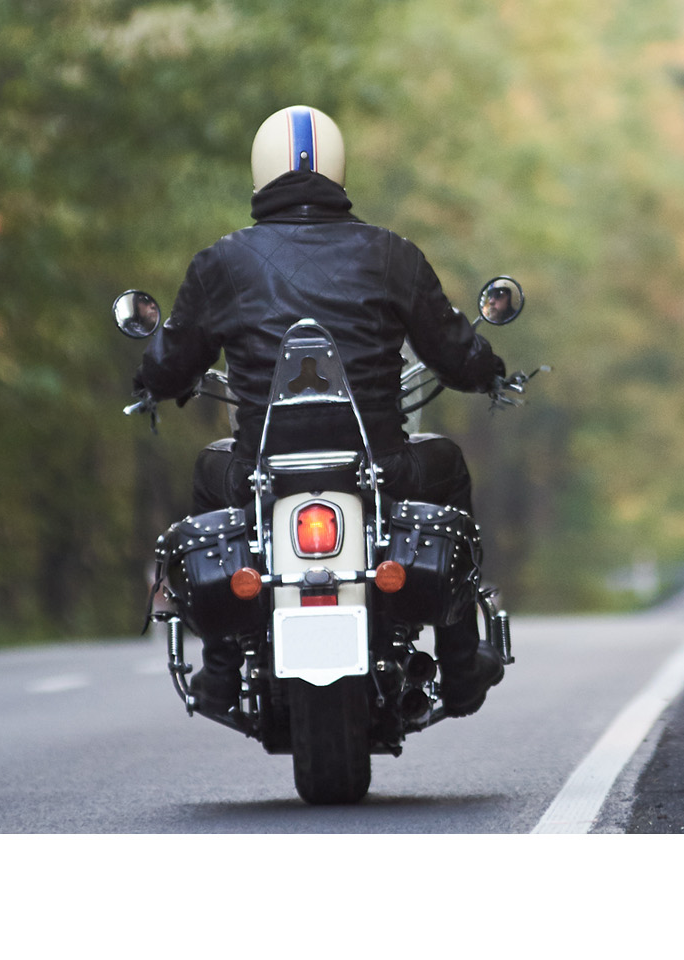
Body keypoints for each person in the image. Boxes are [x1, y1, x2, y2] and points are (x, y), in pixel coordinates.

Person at [132, 105, 512, 717]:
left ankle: (223, 669)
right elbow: (451, 348)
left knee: (210, 473)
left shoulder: (222, 262)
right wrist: (486, 371)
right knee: (449, 466)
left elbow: (174, 360)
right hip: (382, 467)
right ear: (337, 170)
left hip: (261, 472)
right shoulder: (390, 253)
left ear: (259, 172)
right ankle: (462, 663)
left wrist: (152, 382)